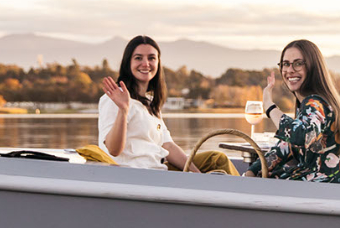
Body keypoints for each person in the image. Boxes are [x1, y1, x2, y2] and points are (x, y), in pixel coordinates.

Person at [90, 36, 237, 174]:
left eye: (151, 58)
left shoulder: (150, 103)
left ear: (158, 63)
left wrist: (196, 174)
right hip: (134, 174)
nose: (146, 64)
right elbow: (113, 150)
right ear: (128, 63)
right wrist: (123, 110)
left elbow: (167, 145)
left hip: (158, 170)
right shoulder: (113, 99)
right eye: (138, 58)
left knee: (217, 160)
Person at [246, 39, 340, 183]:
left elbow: (300, 135)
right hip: (324, 190)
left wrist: (269, 106)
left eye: (298, 63)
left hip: (325, 193)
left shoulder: (316, 103)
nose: (290, 70)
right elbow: (285, 147)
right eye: (286, 64)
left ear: (312, 67)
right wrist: (250, 172)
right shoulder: (312, 105)